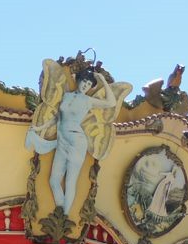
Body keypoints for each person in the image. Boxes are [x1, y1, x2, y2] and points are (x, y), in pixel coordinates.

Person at [26, 65, 124, 214]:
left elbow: (111, 103)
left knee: (70, 181)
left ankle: (65, 215)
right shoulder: (66, 96)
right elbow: (57, 118)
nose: (86, 85)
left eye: (89, 84)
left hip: (77, 141)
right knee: (54, 180)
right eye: (84, 81)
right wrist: (39, 128)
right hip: (62, 141)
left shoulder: (89, 100)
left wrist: (103, 80)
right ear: (79, 80)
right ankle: (61, 210)